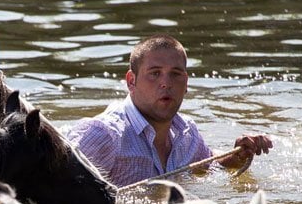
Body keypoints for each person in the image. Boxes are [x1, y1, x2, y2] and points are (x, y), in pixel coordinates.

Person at [67, 34, 273, 187]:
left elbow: (208, 164)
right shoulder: (102, 135)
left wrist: (238, 155)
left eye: (175, 74)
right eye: (154, 73)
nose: (166, 83)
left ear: (186, 83)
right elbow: (50, 195)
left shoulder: (186, 133)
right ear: (131, 81)